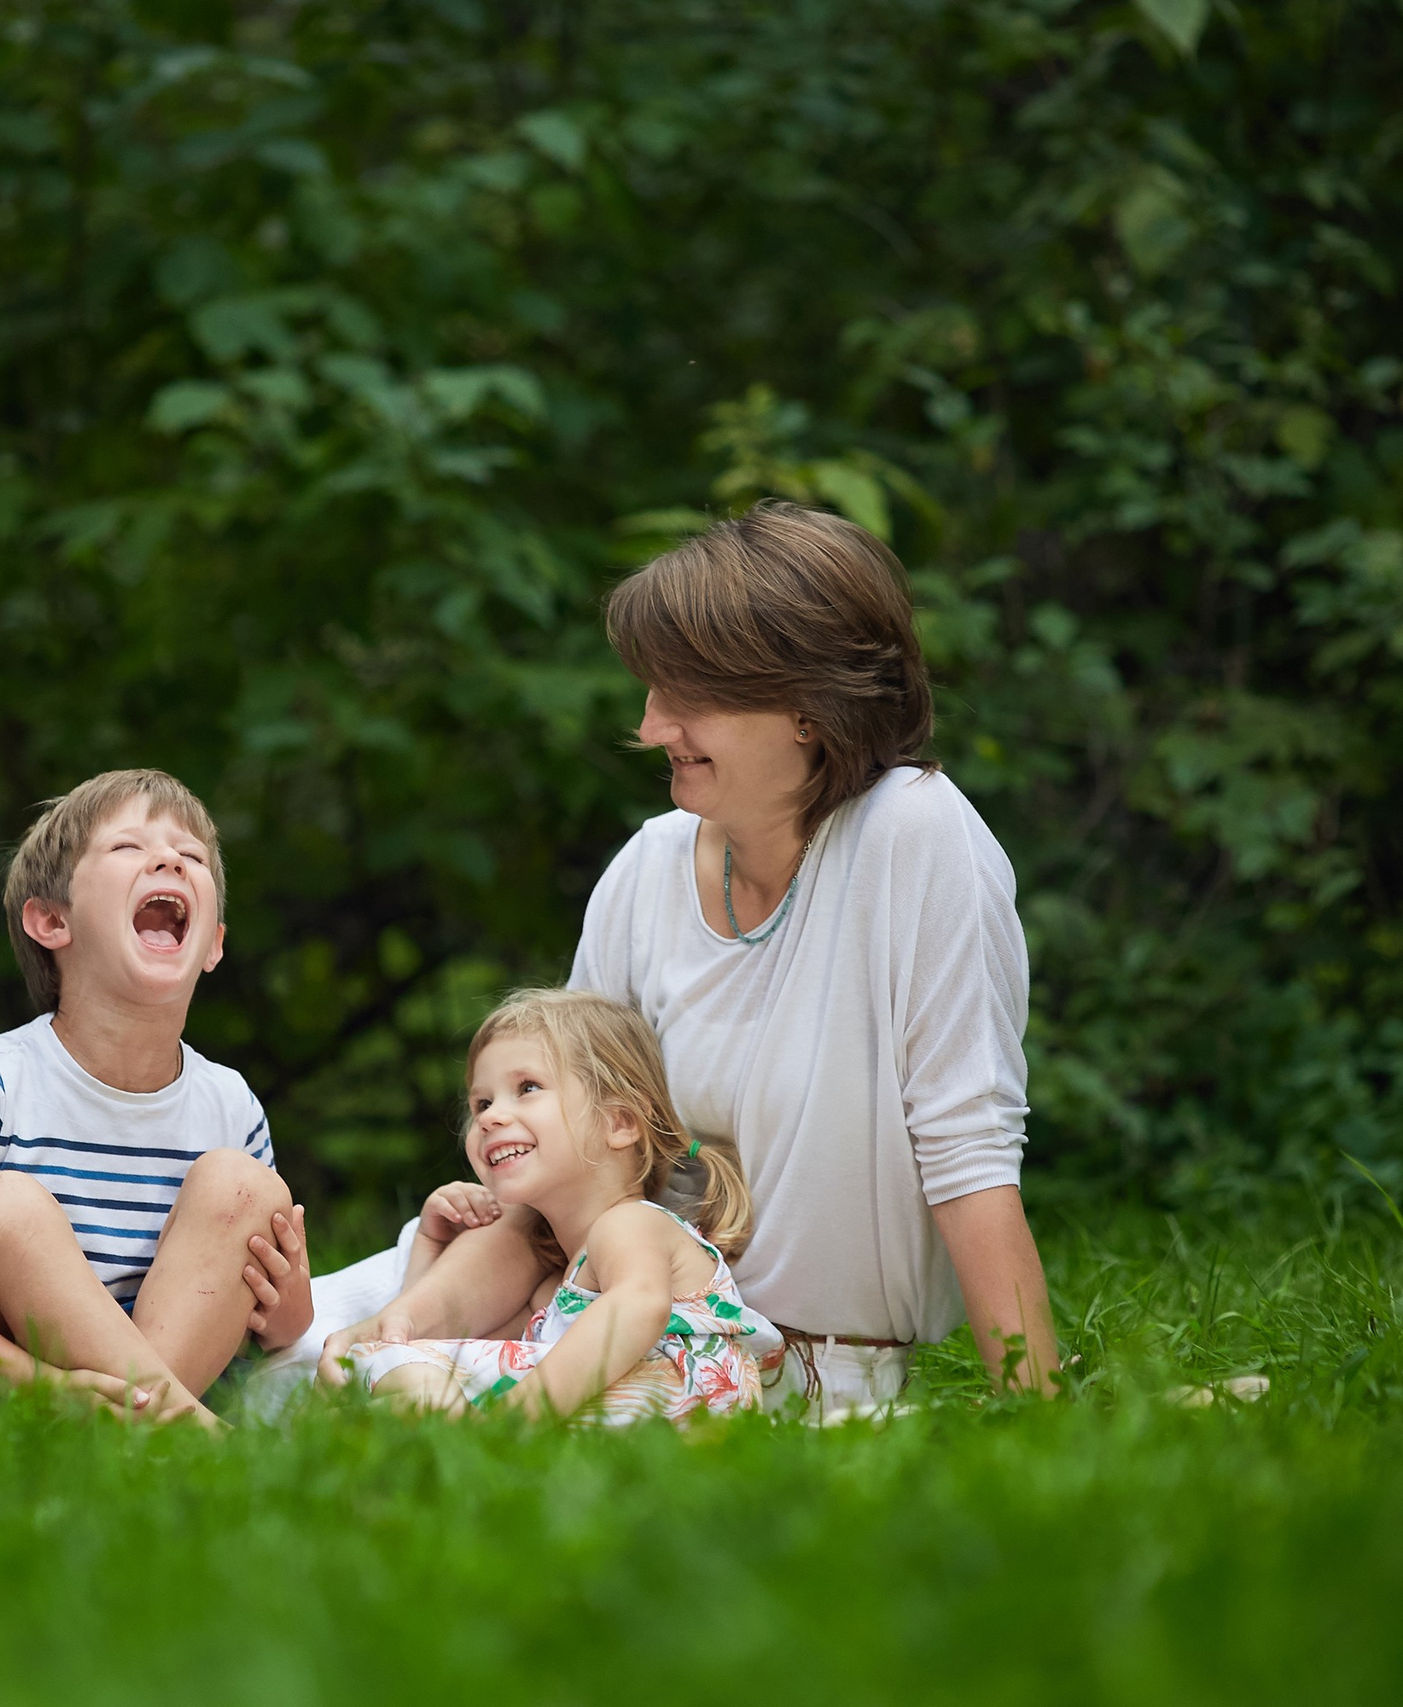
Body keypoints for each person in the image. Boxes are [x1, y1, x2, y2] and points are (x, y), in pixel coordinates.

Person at [328, 501, 1056, 1420]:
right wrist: (410, 1314)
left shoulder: (914, 835)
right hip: (566, 1311)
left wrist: (1044, 1413)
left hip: (735, 1371)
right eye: (650, 689)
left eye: (686, 696)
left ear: (807, 706)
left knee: (324, 1386)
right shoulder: (648, 867)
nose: (651, 724)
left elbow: (969, 1148)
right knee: (296, 1345)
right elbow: (561, 1170)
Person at [0, 770, 314, 1425]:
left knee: (244, 1185)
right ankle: (183, 1432)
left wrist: (290, 1300)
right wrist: (36, 1385)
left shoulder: (232, 1107)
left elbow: (280, 1322)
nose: (166, 859)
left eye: (190, 856)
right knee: (5, 1208)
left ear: (213, 942)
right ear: (51, 919)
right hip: (21, 1408)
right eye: (128, 847)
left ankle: (135, 1438)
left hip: (156, 1376)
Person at [323, 989, 781, 1422]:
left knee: (395, 1372)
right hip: (630, 1418)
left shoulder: (630, 1225)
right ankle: (450, 1432)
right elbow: (451, 1344)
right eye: (482, 1102)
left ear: (618, 1122)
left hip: (683, 1410)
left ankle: (471, 1434)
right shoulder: (551, 1290)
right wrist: (428, 1241)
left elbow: (640, 1306)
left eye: (527, 1088)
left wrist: (515, 1416)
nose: (489, 1116)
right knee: (389, 1367)